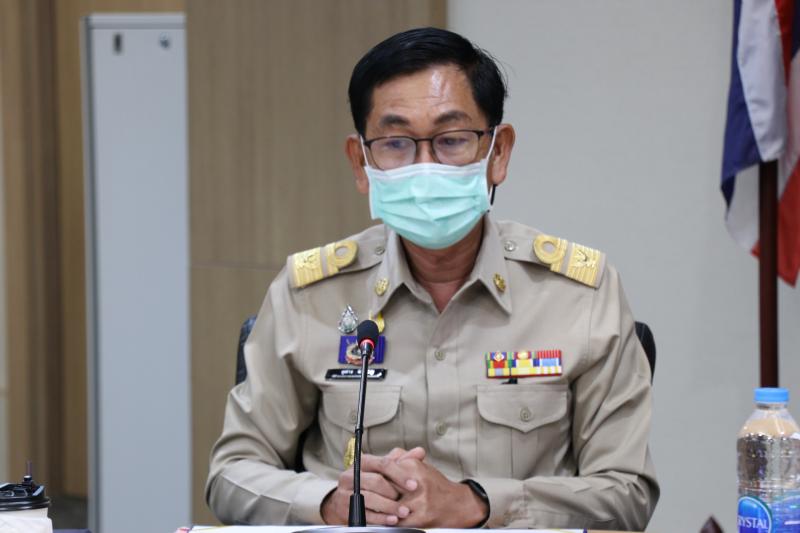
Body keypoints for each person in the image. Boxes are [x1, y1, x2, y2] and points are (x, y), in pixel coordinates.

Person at [206, 27, 659, 530]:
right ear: (361, 162)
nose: (424, 168)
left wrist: (480, 504)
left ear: (498, 153)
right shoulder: (310, 294)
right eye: (396, 143)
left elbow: (627, 493)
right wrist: (328, 501)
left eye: (451, 140)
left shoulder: (579, 295)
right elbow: (231, 474)